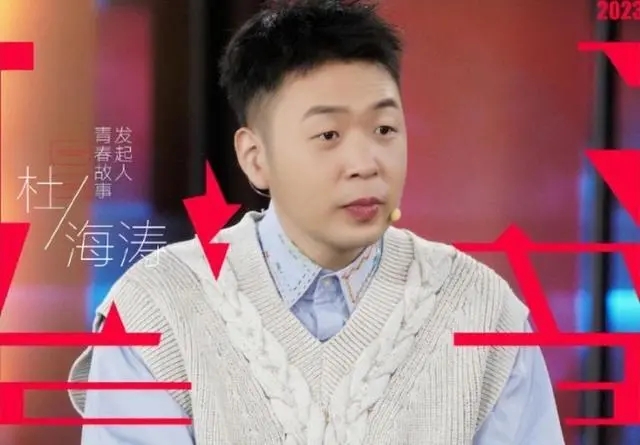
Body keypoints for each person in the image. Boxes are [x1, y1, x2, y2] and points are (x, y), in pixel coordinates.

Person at [68, 0, 565, 443]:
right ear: (255, 157)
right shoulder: (155, 311)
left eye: (384, 128)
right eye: (328, 135)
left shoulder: (482, 313)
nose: (365, 163)